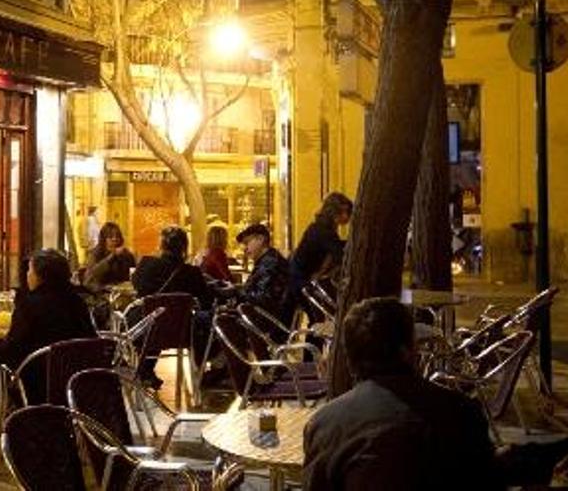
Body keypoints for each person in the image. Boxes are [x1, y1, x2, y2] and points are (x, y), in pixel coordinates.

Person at [303, 297, 568, 491]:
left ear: (350, 359)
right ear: (408, 351)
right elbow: (485, 481)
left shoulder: (325, 424)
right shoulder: (459, 411)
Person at [0, 249, 96, 437]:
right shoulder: (78, 302)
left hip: (35, 378)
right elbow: (90, 340)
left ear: (40, 276)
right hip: (74, 379)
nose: (27, 275)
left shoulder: (30, 305)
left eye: (30, 270)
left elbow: (11, 349)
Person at [131, 226, 213, 387]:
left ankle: (145, 370)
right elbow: (206, 301)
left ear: (161, 245)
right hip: (182, 332)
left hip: (146, 330)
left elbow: (136, 285)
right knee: (205, 320)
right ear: (184, 247)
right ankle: (207, 369)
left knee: (157, 319)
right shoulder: (192, 273)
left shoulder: (146, 265)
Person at [284, 192, 352, 325]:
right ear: (335, 213)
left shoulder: (318, 229)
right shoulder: (324, 232)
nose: (348, 217)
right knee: (317, 319)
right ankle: (313, 344)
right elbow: (338, 254)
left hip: (297, 278)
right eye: (346, 212)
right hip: (300, 281)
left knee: (316, 318)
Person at [235, 223, 290, 334]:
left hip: (265, 324)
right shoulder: (267, 260)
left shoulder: (269, 263)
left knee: (207, 320)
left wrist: (235, 292)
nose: (245, 249)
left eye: (247, 243)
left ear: (260, 239)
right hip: (266, 320)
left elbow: (262, 297)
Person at [84, 222, 136, 292]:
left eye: (117, 236)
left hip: (121, 292)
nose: (115, 239)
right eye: (110, 237)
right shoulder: (96, 254)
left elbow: (132, 274)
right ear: (104, 239)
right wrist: (112, 256)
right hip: (100, 293)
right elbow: (92, 275)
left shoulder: (126, 255)